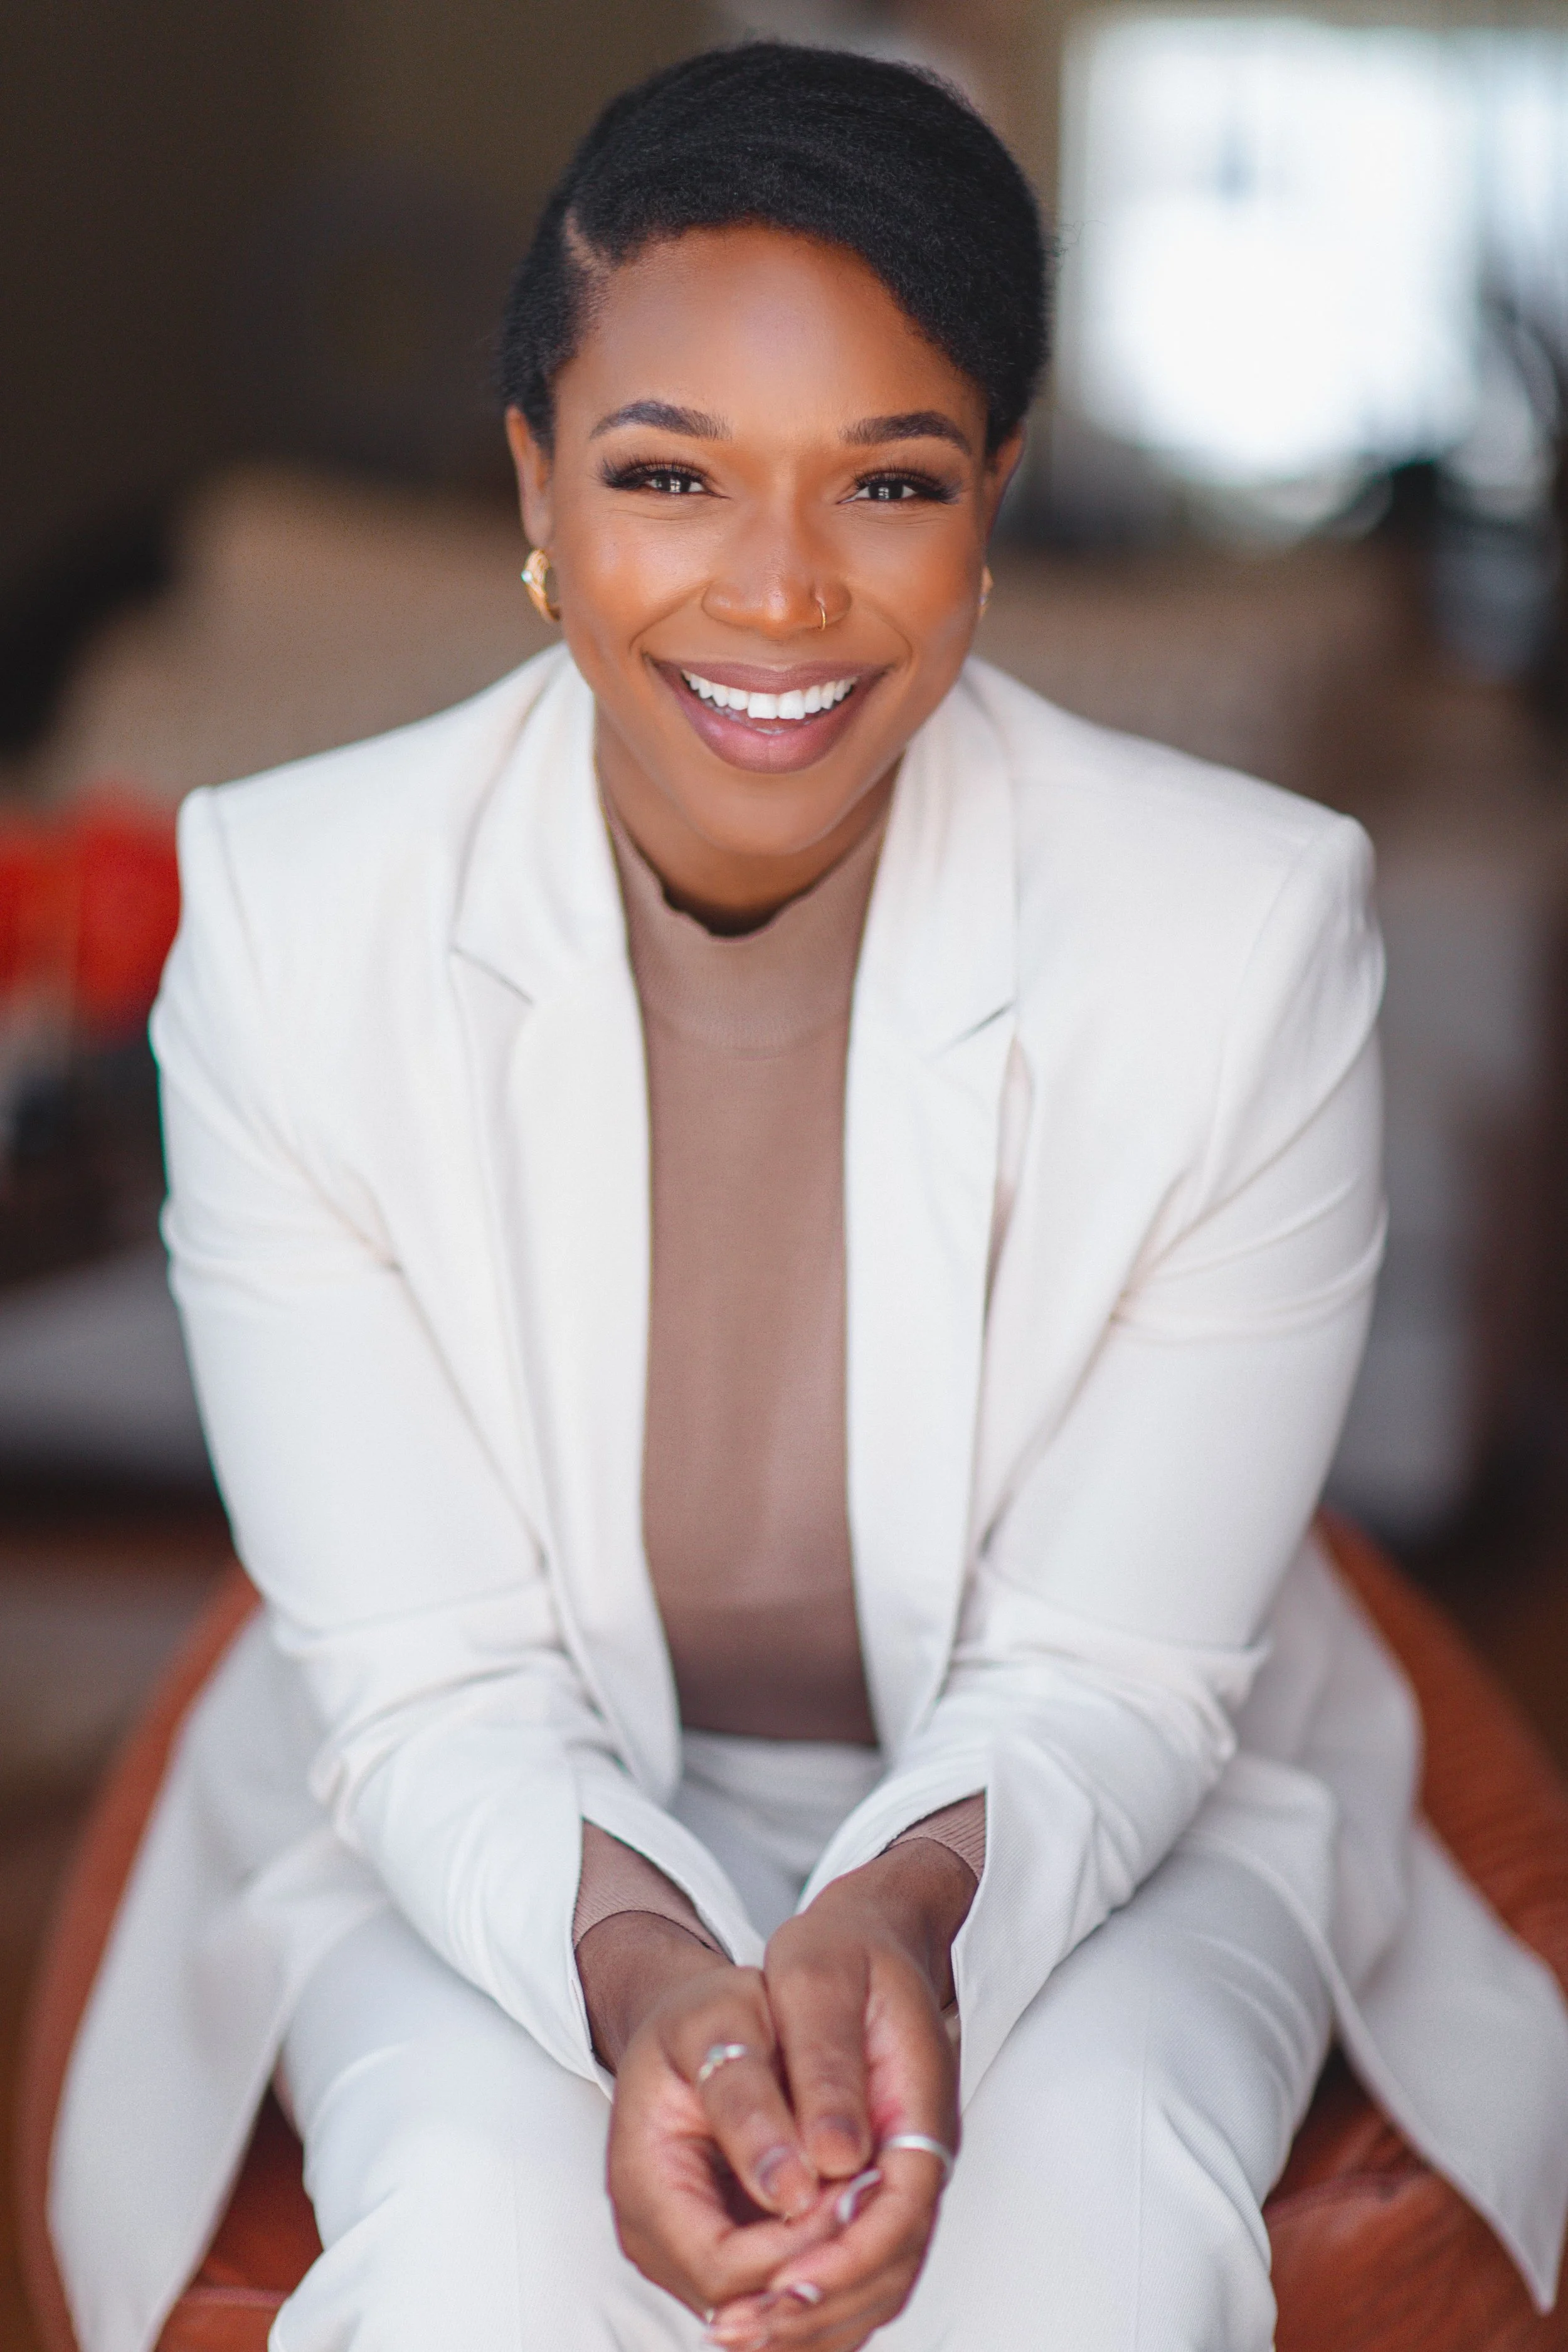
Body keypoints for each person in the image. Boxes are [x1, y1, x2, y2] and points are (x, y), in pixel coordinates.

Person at [50, 42, 1568, 2352]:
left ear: (992, 510)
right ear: (534, 486)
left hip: (1086, 1813)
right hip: (490, 1815)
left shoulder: (1244, 930)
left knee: (1083, 2251)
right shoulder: (289, 915)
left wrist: (898, 1916)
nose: (776, 594)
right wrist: (652, 1962)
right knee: (478, 2257)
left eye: (885, 480)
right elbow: (428, 1675)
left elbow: (1107, 1673)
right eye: (669, 472)